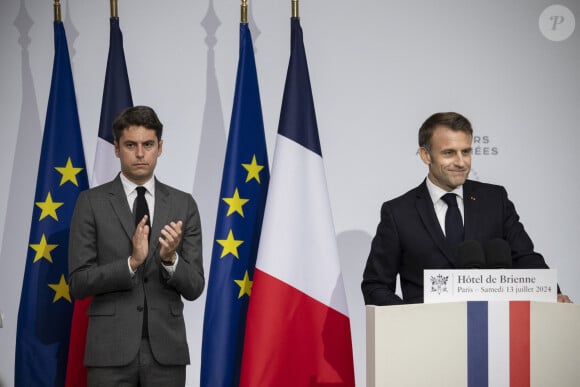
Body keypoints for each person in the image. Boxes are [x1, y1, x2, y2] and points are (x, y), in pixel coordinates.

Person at [361, 112, 571, 305]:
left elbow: (525, 257)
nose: (461, 162)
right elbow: (375, 284)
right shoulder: (398, 213)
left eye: (466, 151)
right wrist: (409, 317)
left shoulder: (495, 199)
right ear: (426, 156)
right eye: (449, 153)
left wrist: (552, 293)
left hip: (491, 332)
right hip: (427, 337)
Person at [69, 106, 205, 386]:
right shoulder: (90, 202)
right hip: (109, 352)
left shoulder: (184, 204)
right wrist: (130, 264)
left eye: (148, 145)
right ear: (117, 148)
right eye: (131, 145)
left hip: (167, 353)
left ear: (160, 147)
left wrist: (170, 260)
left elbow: (195, 287)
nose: (140, 154)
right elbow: (78, 282)